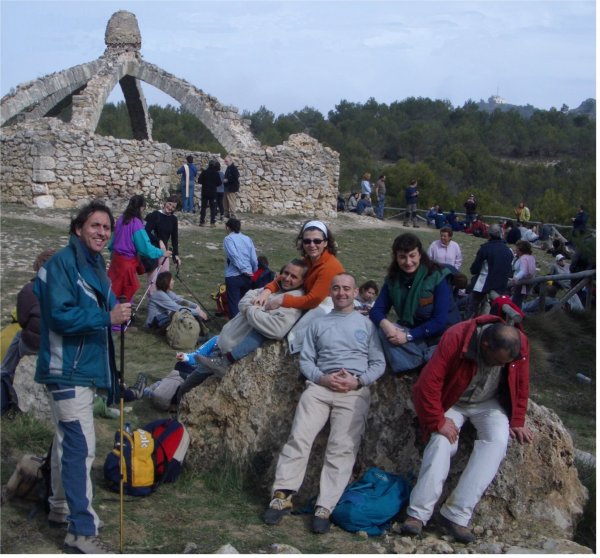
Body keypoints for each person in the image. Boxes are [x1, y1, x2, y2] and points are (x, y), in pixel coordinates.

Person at [34, 200, 132, 554]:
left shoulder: (94, 263)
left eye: (107, 228)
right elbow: (60, 316)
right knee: (80, 447)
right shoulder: (62, 264)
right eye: (95, 226)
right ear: (78, 228)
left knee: (67, 444)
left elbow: (100, 310)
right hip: (65, 370)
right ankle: (81, 531)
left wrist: (116, 315)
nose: (102, 233)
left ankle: (60, 508)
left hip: (83, 369)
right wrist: (107, 317)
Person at [263, 273, 386, 534]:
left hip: (353, 391)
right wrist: (322, 377)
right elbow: (306, 360)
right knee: (299, 436)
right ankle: (282, 495)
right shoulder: (318, 323)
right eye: (336, 288)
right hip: (320, 387)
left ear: (355, 293)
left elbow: (378, 363)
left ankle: (325, 506)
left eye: (346, 288)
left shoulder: (367, 326)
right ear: (330, 293)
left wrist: (358, 381)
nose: (341, 293)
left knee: (341, 447)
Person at [400, 318, 533, 544]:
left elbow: (521, 380)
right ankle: (417, 514)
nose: (500, 366)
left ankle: (456, 515)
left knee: (497, 441)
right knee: (441, 442)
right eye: (497, 361)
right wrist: (437, 420)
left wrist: (517, 418)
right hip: (454, 398)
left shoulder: (518, 344)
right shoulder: (457, 336)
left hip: (489, 402)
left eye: (505, 363)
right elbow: (428, 383)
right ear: (485, 345)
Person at [178, 259, 307, 391]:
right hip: (220, 347)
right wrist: (258, 310)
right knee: (186, 388)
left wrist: (252, 309)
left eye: (294, 276)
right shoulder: (273, 289)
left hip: (230, 356)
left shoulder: (294, 301)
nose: (287, 278)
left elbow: (276, 329)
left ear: (303, 280)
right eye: (286, 273)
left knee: (186, 389)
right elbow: (244, 300)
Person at [370, 233, 459, 374]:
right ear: (396, 257)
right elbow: (376, 311)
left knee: (444, 353)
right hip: (415, 334)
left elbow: (440, 320)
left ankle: (420, 362)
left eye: (412, 255)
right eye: (402, 257)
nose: (408, 262)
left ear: (420, 254)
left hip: (441, 336)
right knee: (381, 330)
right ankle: (419, 363)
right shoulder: (393, 280)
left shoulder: (437, 276)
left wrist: (408, 336)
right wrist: (385, 324)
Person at [253, 220, 345, 354]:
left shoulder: (330, 266)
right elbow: (283, 277)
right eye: (307, 241)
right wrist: (266, 291)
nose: (312, 245)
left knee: (277, 328)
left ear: (325, 243)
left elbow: (313, 300)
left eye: (317, 241)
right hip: (309, 304)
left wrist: (282, 300)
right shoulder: (309, 260)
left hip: (325, 309)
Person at [0, 248, 56, 377]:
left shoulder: (29, 289)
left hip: (34, 345)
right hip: (60, 344)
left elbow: (22, 321)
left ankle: (5, 371)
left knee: (19, 336)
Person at [107, 195, 170, 303]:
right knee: (127, 290)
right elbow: (145, 248)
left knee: (114, 288)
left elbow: (113, 241)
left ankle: (113, 312)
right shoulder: (136, 223)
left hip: (116, 259)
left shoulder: (121, 219)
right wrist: (162, 252)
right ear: (141, 208)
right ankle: (123, 317)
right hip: (127, 263)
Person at [467, 224, 514, 317]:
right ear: (501, 234)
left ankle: (468, 324)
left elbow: (474, 269)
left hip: (484, 285)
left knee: (471, 307)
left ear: (489, 235)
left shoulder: (485, 248)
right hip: (501, 287)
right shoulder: (508, 251)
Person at [144, 195, 180, 294]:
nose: (170, 208)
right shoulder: (155, 215)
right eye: (169, 204)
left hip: (164, 251)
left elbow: (174, 238)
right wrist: (158, 240)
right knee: (153, 279)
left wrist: (176, 255)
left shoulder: (173, 219)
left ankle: (162, 302)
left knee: (164, 279)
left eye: (173, 207)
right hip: (152, 250)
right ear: (165, 202)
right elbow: (146, 232)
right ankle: (152, 304)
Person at [223, 218, 258, 318]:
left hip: (234, 275)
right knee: (245, 303)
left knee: (234, 304)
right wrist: (253, 270)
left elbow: (234, 256)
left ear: (228, 227)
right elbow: (254, 258)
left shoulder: (228, 239)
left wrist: (244, 270)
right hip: (248, 275)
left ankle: (234, 329)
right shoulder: (247, 238)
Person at [508, 240, 536, 308]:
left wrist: (516, 278)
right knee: (518, 300)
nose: (515, 250)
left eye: (516, 248)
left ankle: (516, 316)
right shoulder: (530, 257)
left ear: (520, 250)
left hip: (521, 283)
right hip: (527, 282)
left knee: (516, 301)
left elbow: (524, 271)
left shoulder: (523, 258)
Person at [198, 159, 221, 227]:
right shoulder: (216, 173)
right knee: (213, 208)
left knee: (203, 207)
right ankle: (212, 223)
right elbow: (219, 183)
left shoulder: (204, 172)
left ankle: (202, 222)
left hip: (205, 192)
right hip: (213, 193)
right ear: (214, 165)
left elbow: (199, 181)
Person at [223, 154, 240, 219]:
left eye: (226, 161)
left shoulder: (233, 168)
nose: (225, 162)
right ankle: (226, 213)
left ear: (230, 160)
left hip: (231, 188)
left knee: (231, 201)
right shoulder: (228, 168)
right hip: (227, 187)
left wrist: (227, 180)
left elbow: (235, 177)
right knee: (225, 201)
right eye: (225, 161)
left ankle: (233, 214)